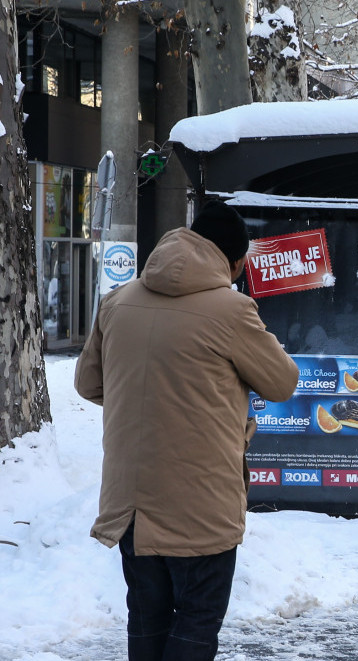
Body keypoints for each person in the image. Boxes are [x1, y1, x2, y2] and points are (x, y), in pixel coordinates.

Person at [75, 201, 298, 661]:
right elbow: (282, 382)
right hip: (202, 504)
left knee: (147, 619)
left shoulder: (118, 302)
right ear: (234, 261)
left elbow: (88, 383)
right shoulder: (233, 311)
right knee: (196, 622)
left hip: (130, 506)